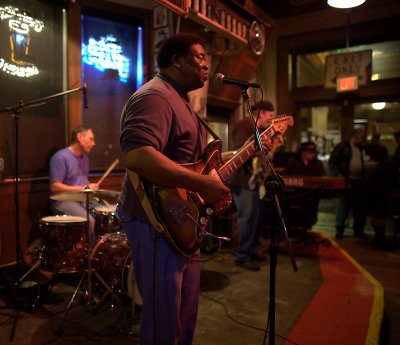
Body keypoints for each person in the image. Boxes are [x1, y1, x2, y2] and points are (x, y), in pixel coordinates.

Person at [116, 33, 271, 345]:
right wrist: (203, 184)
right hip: (156, 221)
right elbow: (137, 156)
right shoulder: (155, 96)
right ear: (177, 61)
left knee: (184, 315)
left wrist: (243, 152)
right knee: (163, 318)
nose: (206, 64)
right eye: (199, 57)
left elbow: (198, 165)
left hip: (183, 221)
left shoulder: (181, 101)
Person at [229, 100, 284, 271]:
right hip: (243, 180)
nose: (270, 118)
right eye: (269, 115)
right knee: (247, 219)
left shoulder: (259, 130)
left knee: (256, 218)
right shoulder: (245, 125)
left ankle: (249, 250)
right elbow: (240, 151)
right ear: (260, 113)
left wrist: (273, 146)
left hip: (253, 182)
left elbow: (262, 159)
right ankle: (242, 256)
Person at [49, 126, 99, 245]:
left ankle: (98, 252)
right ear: (80, 137)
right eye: (91, 139)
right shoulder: (61, 157)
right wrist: (83, 188)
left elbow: (81, 179)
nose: (93, 143)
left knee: (104, 214)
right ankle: (87, 257)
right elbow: (55, 187)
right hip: (62, 201)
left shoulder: (85, 158)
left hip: (80, 199)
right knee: (90, 221)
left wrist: (90, 185)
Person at [328, 128, 368, 239]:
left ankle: (358, 230)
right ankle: (339, 229)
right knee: (343, 206)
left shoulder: (360, 148)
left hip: (358, 180)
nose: (363, 139)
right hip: (346, 180)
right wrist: (338, 175)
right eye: (361, 137)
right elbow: (332, 162)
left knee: (359, 206)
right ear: (355, 136)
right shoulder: (342, 146)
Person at [284, 141, 325, 233]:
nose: (312, 154)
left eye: (313, 151)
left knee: (311, 203)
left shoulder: (318, 164)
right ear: (302, 152)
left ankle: (306, 226)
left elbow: (322, 179)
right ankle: (292, 226)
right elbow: (286, 177)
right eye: (309, 151)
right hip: (294, 193)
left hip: (311, 195)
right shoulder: (293, 161)